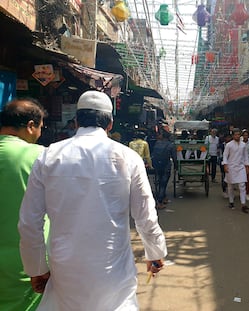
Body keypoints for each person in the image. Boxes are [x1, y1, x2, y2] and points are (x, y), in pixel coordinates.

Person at [18, 90, 168, 311]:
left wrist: (37, 268)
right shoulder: (128, 158)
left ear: (77, 121)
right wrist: (155, 253)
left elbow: (30, 222)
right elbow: (145, 216)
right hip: (113, 271)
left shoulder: (49, 157)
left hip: (65, 271)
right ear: (110, 124)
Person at [0, 98, 47, 311]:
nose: (40, 134)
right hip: (25, 264)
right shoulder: (40, 157)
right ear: (30, 126)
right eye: (40, 128)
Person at [222, 128, 249, 213]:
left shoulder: (243, 145)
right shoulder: (229, 145)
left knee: (242, 185)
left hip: (241, 167)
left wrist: (247, 166)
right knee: (230, 186)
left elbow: (245, 156)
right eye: (235, 134)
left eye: (238, 134)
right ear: (233, 135)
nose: (237, 136)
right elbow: (225, 156)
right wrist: (225, 165)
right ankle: (231, 201)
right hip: (231, 167)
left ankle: (243, 204)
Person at [152, 129, 177, 209]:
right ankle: (159, 201)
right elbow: (174, 157)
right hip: (166, 165)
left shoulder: (157, 143)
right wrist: (176, 166)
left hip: (157, 165)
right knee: (163, 183)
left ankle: (162, 196)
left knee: (159, 181)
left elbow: (153, 154)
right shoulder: (171, 145)